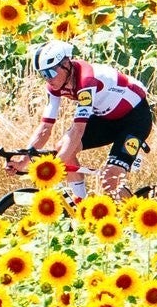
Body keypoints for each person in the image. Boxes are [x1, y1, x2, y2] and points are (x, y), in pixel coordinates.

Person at [20, 40, 150, 200]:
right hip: (107, 119)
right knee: (63, 148)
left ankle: (136, 218)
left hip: (135, 119)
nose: (48, 79)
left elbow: (78, 130)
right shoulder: (55, 87)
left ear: (66, 64)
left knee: (110, 179)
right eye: (43, 75)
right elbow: (45, 128)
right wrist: (22, 160)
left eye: (50, 73)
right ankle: (81, 207)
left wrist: (55, 165)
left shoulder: (86, 80)